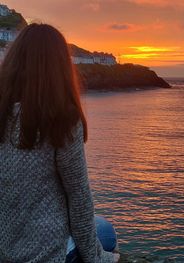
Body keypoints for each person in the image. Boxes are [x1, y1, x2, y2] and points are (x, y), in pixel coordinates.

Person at [0, 23, 120, 263]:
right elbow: (79, 198)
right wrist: (96, 258)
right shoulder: (61, 117)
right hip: (45, 253)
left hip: (5, 245)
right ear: (60, 67)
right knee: (106, 232)